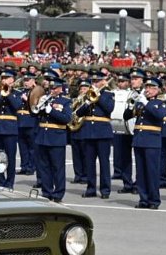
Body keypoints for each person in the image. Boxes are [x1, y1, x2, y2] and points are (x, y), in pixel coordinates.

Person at [76, 71, 115, 199]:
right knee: (89, 163)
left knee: (104, 163)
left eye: (97, 81)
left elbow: (109, 109)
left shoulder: (108, 94)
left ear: (103, 81)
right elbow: (79, 113)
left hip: (103, 132)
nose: (95, 84)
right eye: (93, 81)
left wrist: (98, 97)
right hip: (88, 132)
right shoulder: (88, 95)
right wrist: (87, 102)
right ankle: (91, 188)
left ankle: (105, 190)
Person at [33, 73, 72, 202]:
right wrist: (39, 107)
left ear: (61, 88)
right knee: (44, 167)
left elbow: (66, 119)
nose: (52, 90)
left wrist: (51, 111)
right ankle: (46, 191)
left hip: (56, 138)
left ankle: (58, 193)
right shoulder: (45, 99)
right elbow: (35, 115)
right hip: (43, 137)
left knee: (58, 168)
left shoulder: (66, 101)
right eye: (51, 88)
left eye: (55, 88)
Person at [131, 77, 166, 209]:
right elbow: (127, 116)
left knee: (151, 172)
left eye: (152, 88)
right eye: (147, 87)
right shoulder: (141, 102)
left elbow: (159, 115)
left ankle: (154, 200)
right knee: (140, 172)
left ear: (158, 90)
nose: (148, 90)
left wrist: (146, 103)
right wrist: (131, 105)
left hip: (152, 140)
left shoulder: (160, 102)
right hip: (139, 140)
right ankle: (143, 199)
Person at [16, 72, 38, 176]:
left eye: (28, 80)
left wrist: (27, 99)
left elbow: (37, 105)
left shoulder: (37, 91)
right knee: (22, 147)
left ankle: (31, 167)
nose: (26, 82)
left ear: (33, 81)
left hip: (31, 121)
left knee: (31, 147)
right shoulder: (20, 91)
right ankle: (24, 166)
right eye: (25, 80)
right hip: (20, 121)